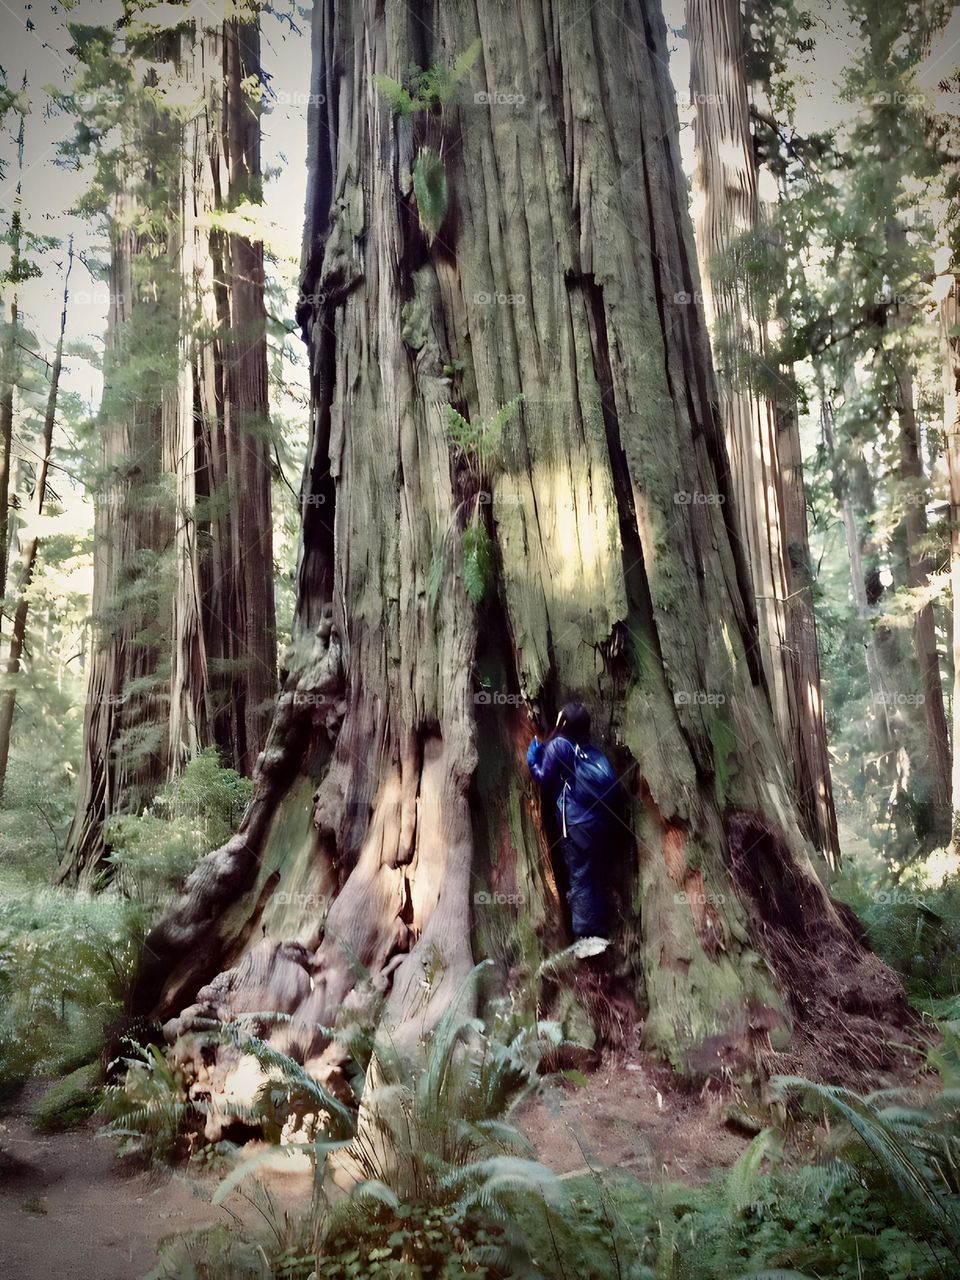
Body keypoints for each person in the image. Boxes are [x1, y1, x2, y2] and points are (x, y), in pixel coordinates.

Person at [526, 702, 618, 944]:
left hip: (576, 826)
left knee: (580, 877)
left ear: (563, 723)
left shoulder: (559, 745)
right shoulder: (590, 750)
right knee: (594, 875)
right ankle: (599, 928)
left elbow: (543, 777)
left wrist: (532, 761)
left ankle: (589, 938)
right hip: (600, 824)